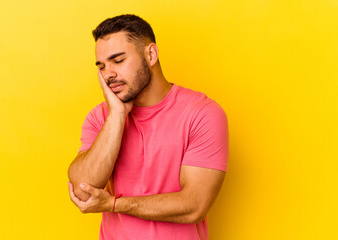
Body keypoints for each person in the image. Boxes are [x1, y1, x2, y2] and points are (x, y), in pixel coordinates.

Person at [68, 14, 229, 240]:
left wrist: (114, 204)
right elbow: (83, 189)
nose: (108, 74)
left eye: (118, 60)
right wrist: (117, 116)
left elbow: (194, 205)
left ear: (151, 54)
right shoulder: (100, 117)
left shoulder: (202, 114)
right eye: (102, 66)